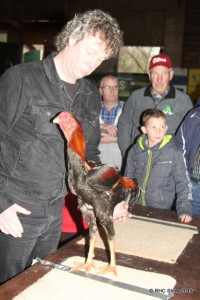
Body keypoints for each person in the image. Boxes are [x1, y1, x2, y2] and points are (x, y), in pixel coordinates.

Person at [0, 9, 127, 284]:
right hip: (15, 209)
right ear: (71, 38)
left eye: (101, 57)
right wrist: (1, 204)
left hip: (55, 211)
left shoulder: (90, 95)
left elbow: (89, 155)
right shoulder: (21, 79)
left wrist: (110, 196)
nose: (94, 62)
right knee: (8, 285)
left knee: (39, 283)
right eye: (91, 50)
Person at [118, 53, 193, 158]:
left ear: (171, 75)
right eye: (155, 73)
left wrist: (179, 158)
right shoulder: (136, 97)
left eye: (164, 74)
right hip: (139, 159)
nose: (159, 79)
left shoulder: (183, 100)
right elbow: (124, 125)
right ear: (149, 75)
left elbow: (190, 133)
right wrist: (128, 153)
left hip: (169, 162)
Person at [124, 108, 192, 223]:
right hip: (135, 206)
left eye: (162, 127)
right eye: (153, 127)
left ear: (166, 128)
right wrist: (124, 203)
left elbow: (183, 182)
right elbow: (127, 181)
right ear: (144, 129)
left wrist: (184, 208)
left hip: (161, 208)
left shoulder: (174, 152)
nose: (158, 131)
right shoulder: (134, 151)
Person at [175, 103, 200, 215]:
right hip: (194, 185)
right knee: (192, 227)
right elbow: (181, 148)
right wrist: (186, 180)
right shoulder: (194, 115)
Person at [98, 75, 123, 169]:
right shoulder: (91, 111)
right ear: (101, 91)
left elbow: (135, 137)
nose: (112, 91)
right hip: (96, 169)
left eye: (115, 87)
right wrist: (100, 125)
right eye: (108, 87)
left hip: (121, 168)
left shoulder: (128, 109)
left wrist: (115, 139)